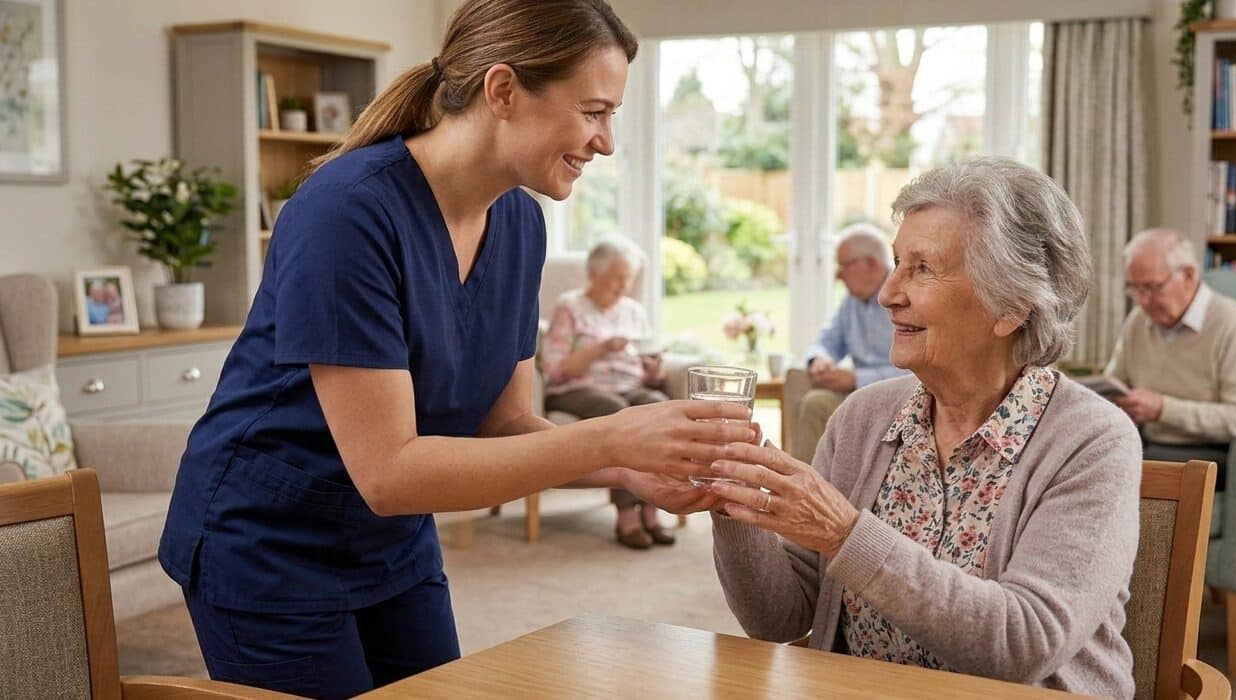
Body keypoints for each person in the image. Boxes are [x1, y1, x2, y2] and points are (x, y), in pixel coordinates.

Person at [157, 2, 750, 697]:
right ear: (502, 90)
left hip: (393, 540)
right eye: (593, 112)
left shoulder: (521, 224)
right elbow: (388, 472)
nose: (606, 142)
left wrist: (629, 468)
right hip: (268, 541)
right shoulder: (346, 211)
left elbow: (505, 424)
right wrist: (612, 436)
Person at [707, 158, 1141, 697]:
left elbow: (1025, 642)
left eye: (922, 269)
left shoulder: (1092, 442)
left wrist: (844, 533)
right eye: (896, 263)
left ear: (1010, 307)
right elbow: (781, 619)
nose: (888, 293)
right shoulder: (862, 419)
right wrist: (734, 503)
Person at [1105, 228, 1236, 488]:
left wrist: (1163, 409)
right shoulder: (1139, 321)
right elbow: (1113, 385)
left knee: (1115, 469)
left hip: (1215, 453)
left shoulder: (1232, 324)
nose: (1142, 301)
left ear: (1188, 275)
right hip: (1151, 443)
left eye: (1152, 287)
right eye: (1134, 289)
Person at [541, 238, 675, 549]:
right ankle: (627, 515)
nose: (624, 286)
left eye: (628, 279)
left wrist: (653, 369)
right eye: (617, 278)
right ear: (594, 274)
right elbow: (555, 369)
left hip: (630, 385)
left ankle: (652, 509)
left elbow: (643, 362)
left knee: (659, 407)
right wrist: (601, 348)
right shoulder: (569, 307)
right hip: (577, 388)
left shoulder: (633, 311)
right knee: (618, 412)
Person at [795, 223, 905, 462]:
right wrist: (820, 359)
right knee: (804, 388)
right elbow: (826, 341)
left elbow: (915, 371)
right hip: (859, 393)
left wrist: (857, 379)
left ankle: (803, 480)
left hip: (896, 396)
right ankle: (798, 477)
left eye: (844, 265)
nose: (838, 275)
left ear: (873, 264)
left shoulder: (903, 298)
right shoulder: (852, 302)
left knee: (815, 403)